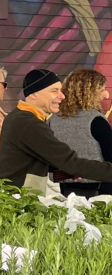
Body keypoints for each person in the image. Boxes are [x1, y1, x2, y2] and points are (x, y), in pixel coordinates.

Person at [0, 69, 112, 191]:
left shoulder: (18, 116)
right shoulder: (29, 123)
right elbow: (69, 162)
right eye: (54, 91)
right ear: (34, 94)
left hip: (11, 196)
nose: (62, 96)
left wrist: (62, 172)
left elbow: (25, 161)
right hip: (16, 200)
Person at [49, 68, 112, 197]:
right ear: (89, 93)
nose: (104, 95)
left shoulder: (53, 119)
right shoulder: (96, 120)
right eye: (100, 90)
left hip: (64, 188)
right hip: (100, 189)